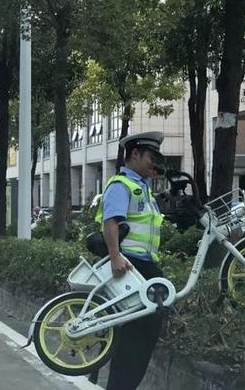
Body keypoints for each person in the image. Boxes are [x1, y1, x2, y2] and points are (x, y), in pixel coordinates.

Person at [94, 131, 166, 390]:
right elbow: (110, 221)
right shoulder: (121, 185)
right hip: (130, 267)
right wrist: (115, 257)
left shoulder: (143, 188)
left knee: (145, 333)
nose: (154, 163)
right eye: (151, 157)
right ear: (134, 154)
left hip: (145, 266)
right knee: (136, 336)